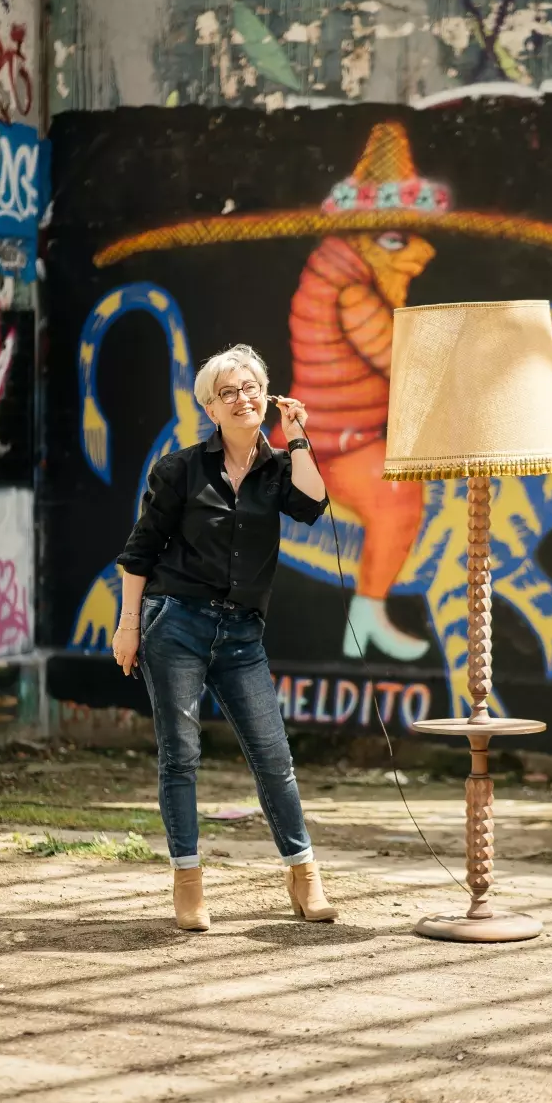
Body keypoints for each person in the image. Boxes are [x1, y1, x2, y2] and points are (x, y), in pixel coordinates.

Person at [113, 343, 337, 931]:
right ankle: (189, 884)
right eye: (229, 392)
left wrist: (298, 438)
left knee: (274, 758)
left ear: (268, 398)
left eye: (252, 388)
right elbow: (138, 556)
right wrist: (128, 625)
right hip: (175, 623)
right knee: (180, 756)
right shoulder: (179, 469)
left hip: (241, 633)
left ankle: (305, 877)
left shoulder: (278, 469)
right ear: (210, 407)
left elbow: (314, 503)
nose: (244, 399)